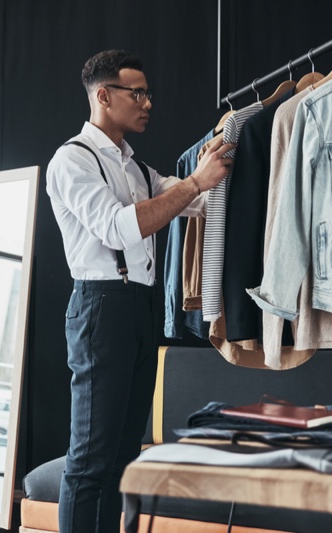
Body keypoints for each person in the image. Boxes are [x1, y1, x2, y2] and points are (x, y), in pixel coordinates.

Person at [45, 49, 235, 533]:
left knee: (124, 453)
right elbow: (117, 228)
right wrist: (194, 182)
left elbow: (197, 204)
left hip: (139, 307)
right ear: (104, 96)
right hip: (100, 308)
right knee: (90, 458)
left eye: (148, 93)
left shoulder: (135, 167)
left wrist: (229, 163)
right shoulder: (72, 160)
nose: (148, 102)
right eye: (138, 93)